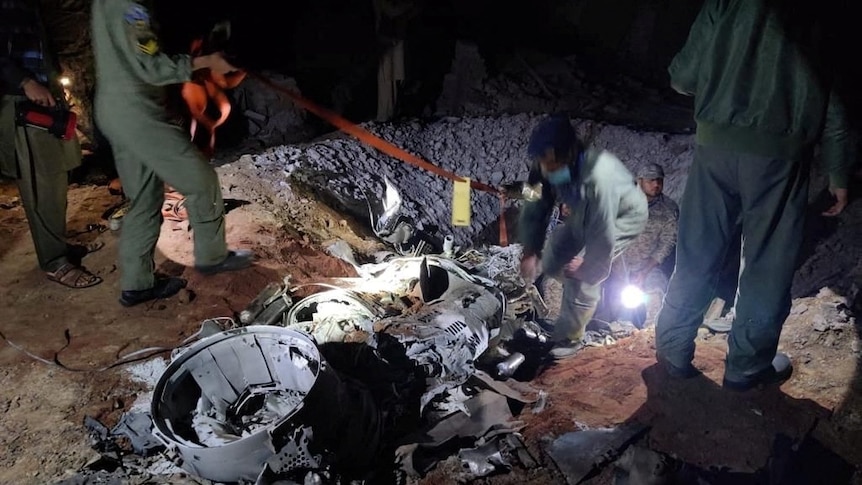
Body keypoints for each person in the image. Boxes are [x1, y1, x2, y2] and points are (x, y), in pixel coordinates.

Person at [654, 0, 854, 391]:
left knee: (697, 250)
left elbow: (682, 77)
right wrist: (837, 171)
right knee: (766, 262)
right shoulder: (816, 16)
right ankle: (746, 366)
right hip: (779, 156)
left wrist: (723, 74)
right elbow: (831, 101)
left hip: (715, 146)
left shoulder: (723, 4)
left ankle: (672, 349)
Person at [90, 0, 254, 307]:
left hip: (115, 107)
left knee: (144, 199)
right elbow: (150, 65)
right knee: (201, 179)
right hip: (137, 112)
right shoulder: (132, 7)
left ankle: (137, 285)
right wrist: (205, 63)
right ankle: (212, 256)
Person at [518, 115, 648, 358]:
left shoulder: (600, 176)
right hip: (585, 209)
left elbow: (603, 232)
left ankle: (570, 337)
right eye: (542, 161)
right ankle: (574, 304)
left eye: (551, 161)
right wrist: (531, 249)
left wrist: (588, 265)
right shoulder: (543, 163)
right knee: (555, 251)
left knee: (581, 272)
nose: (547, 167)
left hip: (623, 215)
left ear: (568, 152)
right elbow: (534, 202)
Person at [1, 0, 102, 288]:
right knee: (40, 185)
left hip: (41, 99)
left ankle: (57, 246)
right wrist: (24, 82)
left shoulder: (28, 7)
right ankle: (54, 262)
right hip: (20, 103)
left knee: (56, 179)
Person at [622, 162, 679, 291]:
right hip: (616, 266)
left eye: (659, 180)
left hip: (649, 268)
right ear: (639, 181)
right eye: (651, 180)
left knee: (656, 292)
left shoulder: (669, 209)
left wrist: (644, 272)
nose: (656, 184)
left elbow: (667, 243)